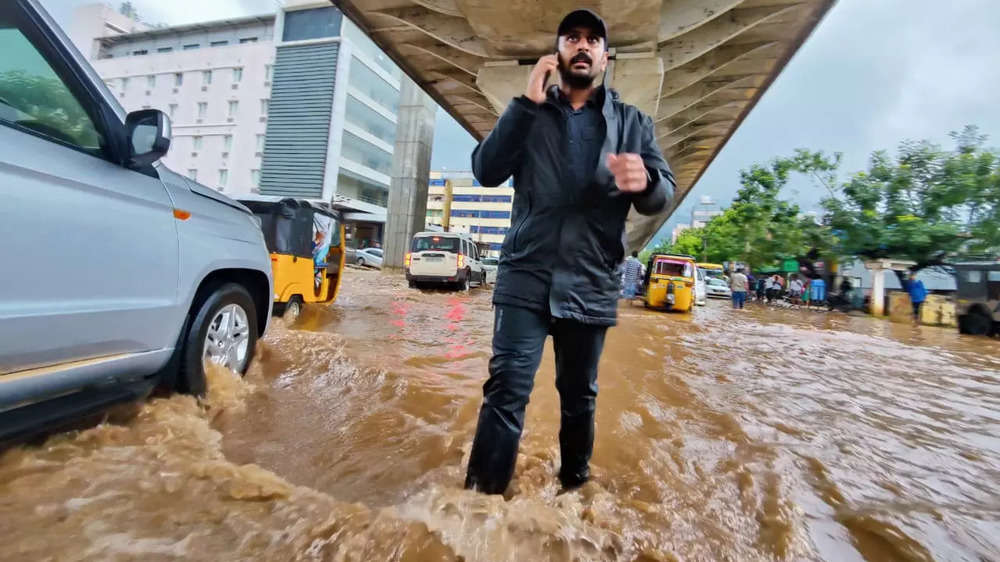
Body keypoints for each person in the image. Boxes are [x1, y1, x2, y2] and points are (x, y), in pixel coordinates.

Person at [464, 9, 674, 495]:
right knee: (506, 390)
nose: (582, 46)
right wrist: (523, 103)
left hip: (591, 279)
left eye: (592, 39)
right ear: (557, 52)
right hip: (524, 277)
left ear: (604, 55)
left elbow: (664, 190)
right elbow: (486, 170)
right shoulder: (527, 114)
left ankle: (575, 492)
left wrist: (646, 182)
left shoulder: (633, 124)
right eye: (572, 38)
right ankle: (479, 502)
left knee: (579, 398)